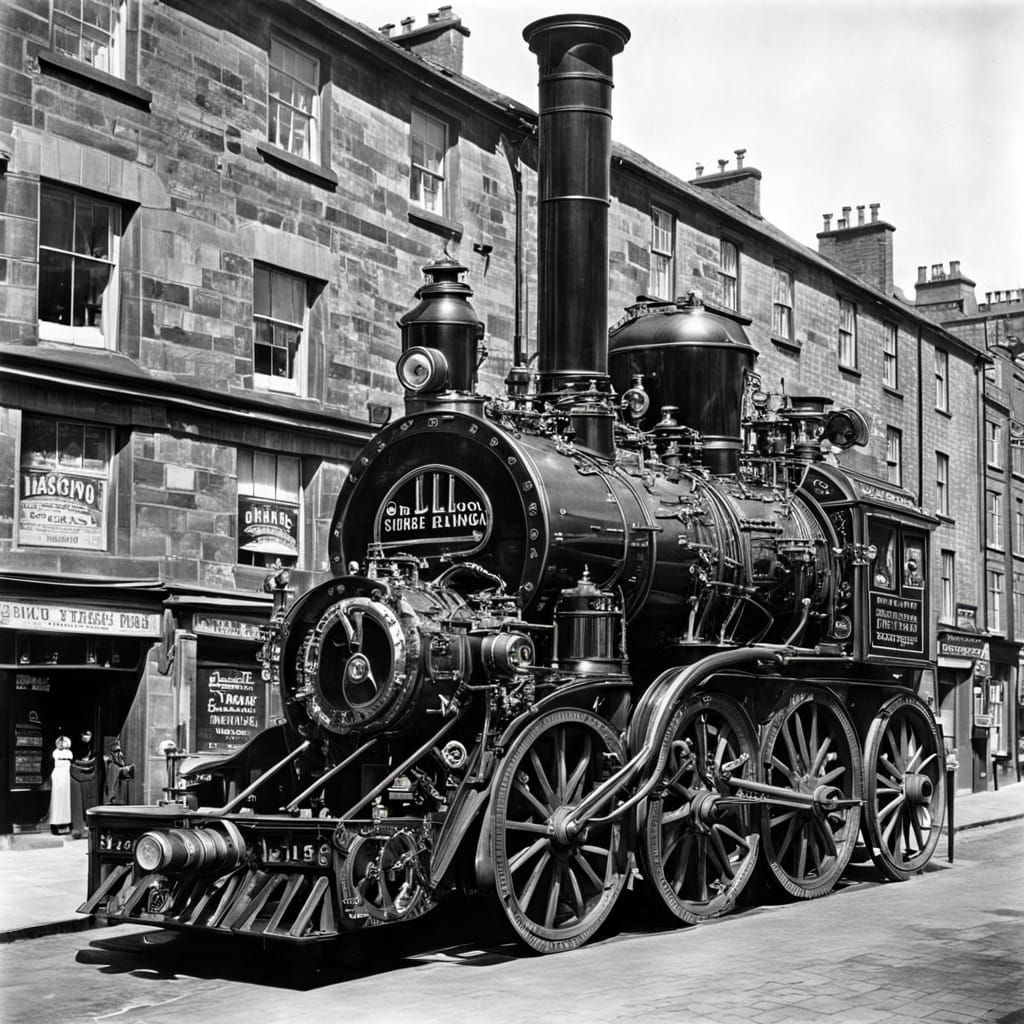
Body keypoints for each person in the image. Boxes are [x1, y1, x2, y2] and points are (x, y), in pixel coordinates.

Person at [48, 736, 72, 834]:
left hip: (66, 776)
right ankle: (55, 824)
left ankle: (67, 824)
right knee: (56, 800)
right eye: (60, 742)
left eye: (64, 742)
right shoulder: (55, 753)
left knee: (66, 800)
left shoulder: (69, 753)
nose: (61, 744)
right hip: (57, 776)